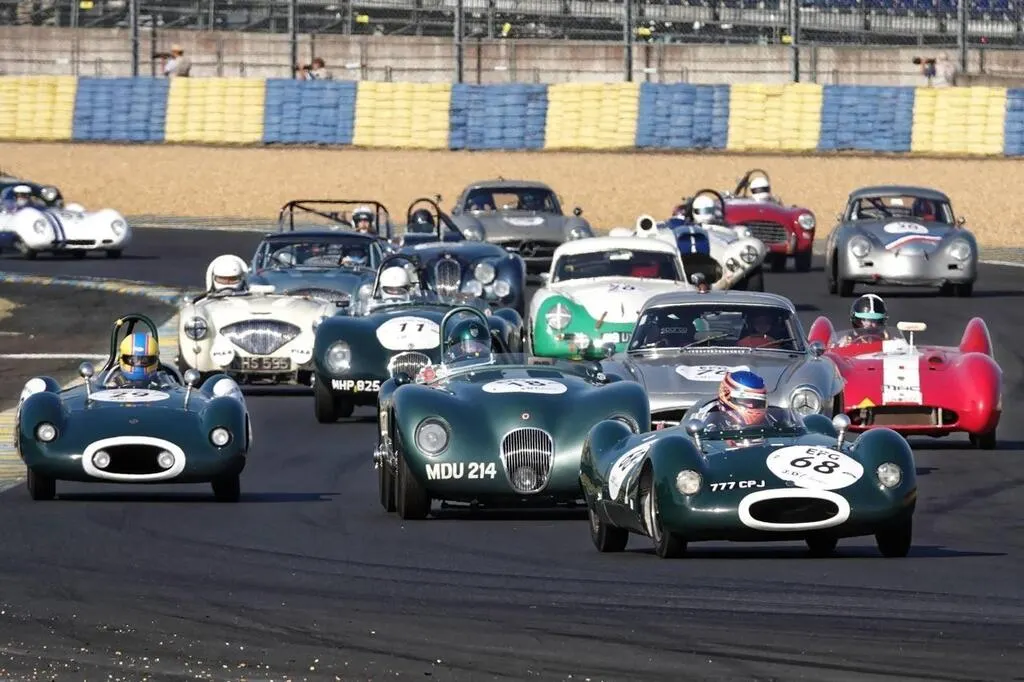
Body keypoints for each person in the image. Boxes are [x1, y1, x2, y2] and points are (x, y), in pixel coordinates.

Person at [697, 370, 770, 430]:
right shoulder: (708, 417)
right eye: (746, 400)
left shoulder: (771, 418)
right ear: (726, 394)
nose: (752, 405)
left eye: (757, 402)